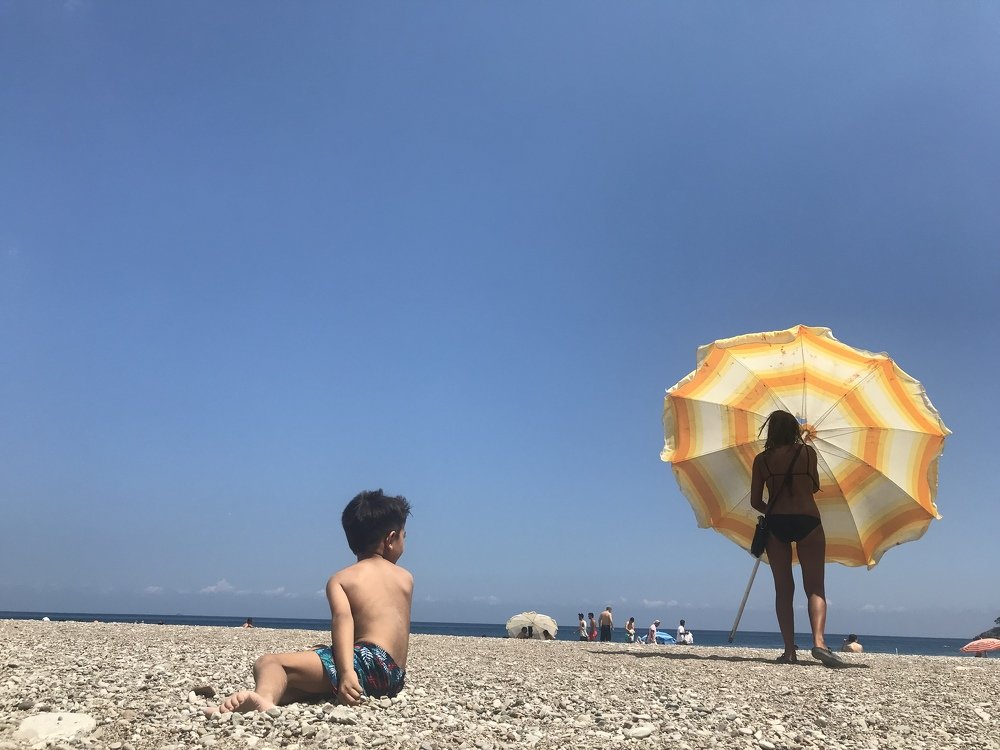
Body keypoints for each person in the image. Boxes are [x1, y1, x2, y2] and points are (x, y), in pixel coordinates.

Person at [205, 489, 413, 713]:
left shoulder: (342, 580)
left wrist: (346, 672)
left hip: (367, 664)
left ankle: (263, 699)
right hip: (393, 677)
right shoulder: (406, 578)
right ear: (391, 539)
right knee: (310, 667)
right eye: (404, 536)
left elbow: (343, 620)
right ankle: (270, 697)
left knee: (269, 663)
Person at [750, 410, 841, 667]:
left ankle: (789, 651)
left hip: (777, 522)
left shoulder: (762, 460)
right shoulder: (807, 453)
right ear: (793, 430)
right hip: (808, 520)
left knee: (783, 589)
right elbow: (813, 485)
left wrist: (774, 508)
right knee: (814, 587)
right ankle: (819, 643)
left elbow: (755, 501)